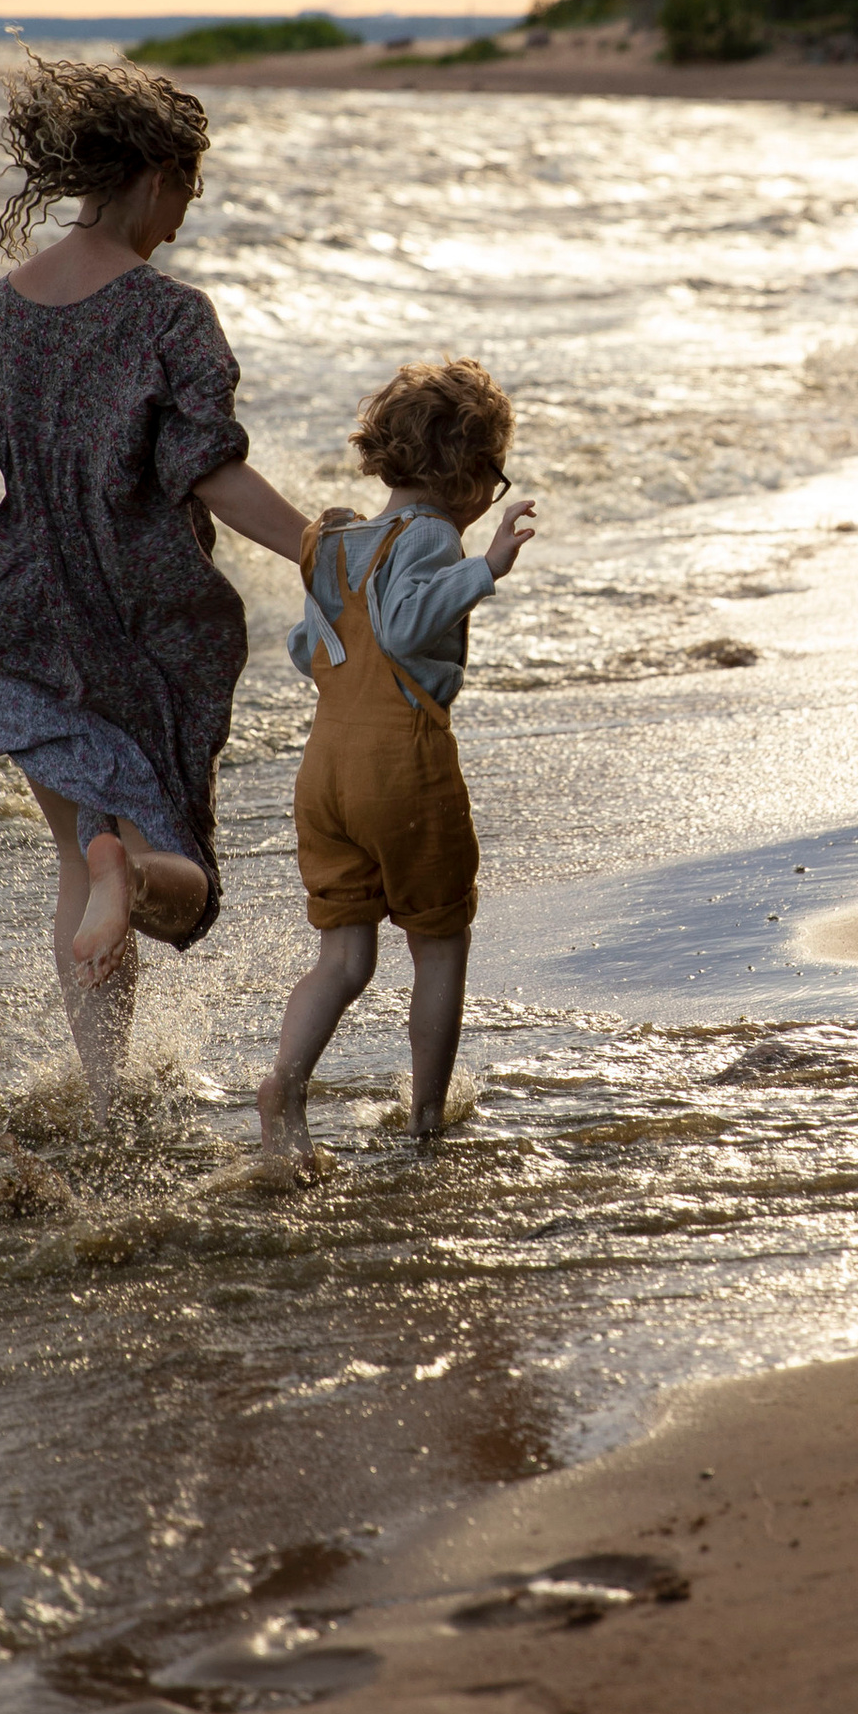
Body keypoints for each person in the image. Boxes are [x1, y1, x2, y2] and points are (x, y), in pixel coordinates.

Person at [0, 56, 309, 1123]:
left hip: (19, 612)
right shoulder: (169, 318)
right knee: (172, 866)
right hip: (142, 617)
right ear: (157, 174)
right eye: (186, 194)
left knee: (78, 858)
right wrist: (319, 547)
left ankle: (108, 1092)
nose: (180, 222)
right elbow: (208, 468)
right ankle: (136, 879)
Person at [254, 356, 536, 1177]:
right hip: (401, 762)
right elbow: (410, 624)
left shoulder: (335, 539)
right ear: (467, 473)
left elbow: (310, 645)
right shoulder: (436, 536)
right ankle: (425, 1120)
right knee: (440, 944)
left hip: (325, 765)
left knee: (342, 960)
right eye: (494, 473)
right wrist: (485, 568)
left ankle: (286, 1091)